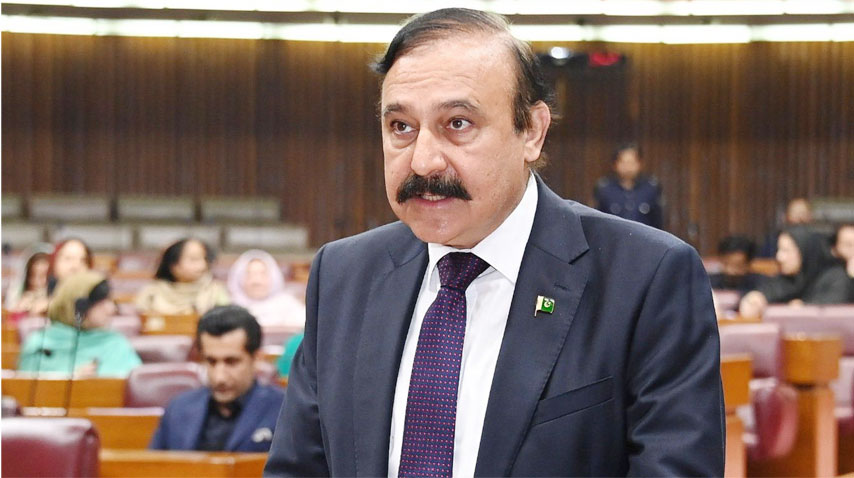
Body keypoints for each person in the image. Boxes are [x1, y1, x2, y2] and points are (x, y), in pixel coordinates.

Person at [264, 8, 723, 477]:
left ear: (532, 132)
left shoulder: (646, 278)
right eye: (401, 126)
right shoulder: (342, 275)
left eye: (458, 123)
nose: (423, 161)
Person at [150, 305, 285, 452]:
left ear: (256, 359)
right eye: (211, 361)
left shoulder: (285, 411)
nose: (219, 377)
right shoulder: (178, 408)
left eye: (231, 362)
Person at [18, 270, 142, 377]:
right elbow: (25, 388)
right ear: (78, 307)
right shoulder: (41, 346)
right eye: (101, 303)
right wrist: (72, 377)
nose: (111, 309)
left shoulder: (116, 344)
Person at [739, 225, 852, 318]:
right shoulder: (787, 277)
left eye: (786, 251)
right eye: (779, 250)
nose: (779, 257)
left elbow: (832, 310)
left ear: (805, 252)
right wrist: (755, 298)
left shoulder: (837, 278)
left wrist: (804, 308)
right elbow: (768, 291)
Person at [134, 238, 229, 316]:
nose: (202, 265)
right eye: (194, 259)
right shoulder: (152, 293)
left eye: (204, 259)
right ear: (173, 264)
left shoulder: (215, 291)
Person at [226, 250, 306, 329]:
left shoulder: (290, 306)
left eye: (262, 274)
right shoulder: (230, 309)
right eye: (249, 274)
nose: (256, 281)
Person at [593, 142, 663, 229]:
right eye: (623, 162)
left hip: (643, 236)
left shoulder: (651, 188)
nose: (628, 167)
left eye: (631, 162)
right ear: (615, 164)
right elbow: (597, 221)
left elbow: (658, 221)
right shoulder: (604, 188)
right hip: (613, 236)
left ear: (640, 163)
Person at [4, 243, 52, 317]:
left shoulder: (55, 297)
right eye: (33, 276)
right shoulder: (17, 293)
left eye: (43, 276)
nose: (37, 282)